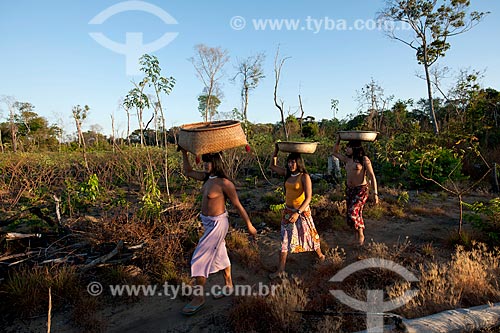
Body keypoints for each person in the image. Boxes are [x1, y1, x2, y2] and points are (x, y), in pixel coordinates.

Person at [180, 149, 257, 315]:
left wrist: (249, 225)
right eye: (205, 161)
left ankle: (199, 297)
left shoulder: (224, 183)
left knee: (199, 259)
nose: (207, 164)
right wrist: (185, 153)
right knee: (220, 254)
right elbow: (188, 171)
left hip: (218, 225)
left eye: (209, 162)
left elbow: (237, 205)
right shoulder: (207, 178)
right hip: (208, 224)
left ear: (217, 163)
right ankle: (229, 286)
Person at [268, 144, 325, 279]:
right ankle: (281, 270)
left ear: (298, 163)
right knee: (284, 239)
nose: (290, 164)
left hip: (302, 212)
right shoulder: (288, 174)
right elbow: (272, 166)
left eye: (293, 162)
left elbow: (309, 198)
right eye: (288, 162)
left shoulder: (304, 176)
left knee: (310, 235)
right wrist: (275, 151)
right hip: (288, 211)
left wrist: (298, 212)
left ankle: (321, 256)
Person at [333, 136, 379, 246]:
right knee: (352, 215)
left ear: (355, 148)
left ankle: (361, 233)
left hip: (361, 190)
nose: (346, 149)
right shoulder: (347, 159)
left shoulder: (364, 159)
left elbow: (372, 176)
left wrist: (375, 193)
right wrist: (338, 139)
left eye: (348, 147)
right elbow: (334, 152)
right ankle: (356, 236)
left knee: (353, 212)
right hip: (350, 190)